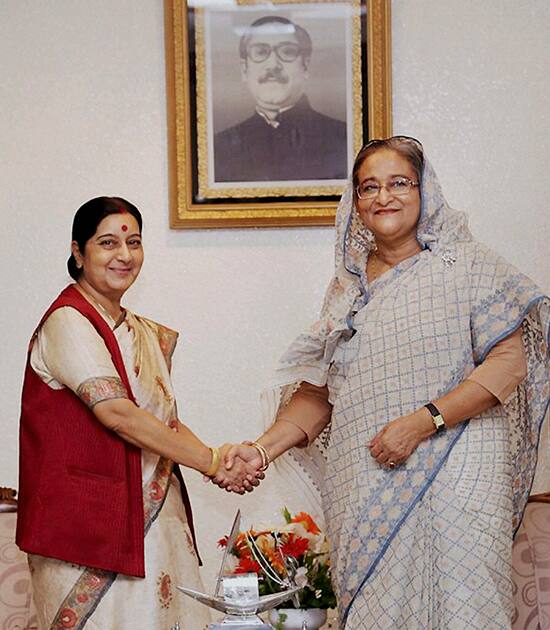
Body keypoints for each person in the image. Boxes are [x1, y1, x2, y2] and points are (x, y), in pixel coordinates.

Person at [217, 137, 550, 628]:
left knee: (464, 607)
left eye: (399, 183)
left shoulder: (468, 266)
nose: (383, 197)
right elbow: (319, 392)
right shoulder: (347, 288)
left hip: (458, 469)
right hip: (365, 476)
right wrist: (262, 450)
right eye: (368, 187)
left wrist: (423, 422)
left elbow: (508, 364)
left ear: (425, 190)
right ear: (355, 202)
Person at [16, 197, 262, 629]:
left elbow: (162, 421)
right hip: (87, 530)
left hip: (153, 519)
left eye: (134, 242)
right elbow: (119, 415)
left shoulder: (143, 333)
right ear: (78, 252)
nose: (124, 255)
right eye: (108, 242)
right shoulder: (68, 322)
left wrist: (215, 457)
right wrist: (211, 461)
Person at [213, 16, 347, 183]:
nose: (273, 64)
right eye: (261, 52)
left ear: (305, 66)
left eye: (287, 52)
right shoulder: (218, 149)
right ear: (244, 69)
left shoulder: (343, 139)